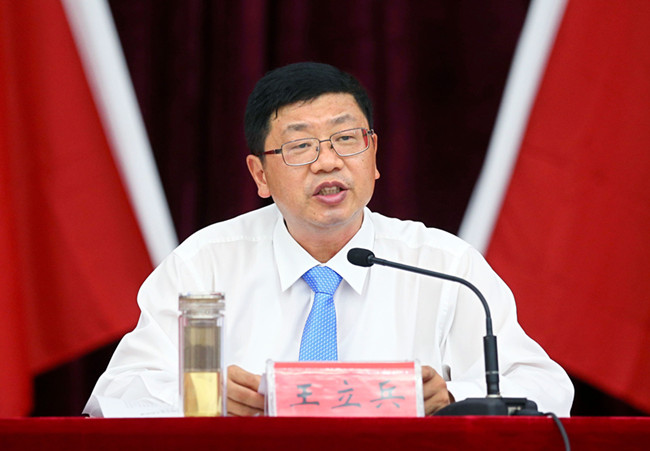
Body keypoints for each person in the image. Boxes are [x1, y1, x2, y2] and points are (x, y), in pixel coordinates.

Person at [83, 62, 573, 417]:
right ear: (259, 174)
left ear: (373, 154)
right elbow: (115, 396)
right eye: (300, 146)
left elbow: (546, 388)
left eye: (346, 139)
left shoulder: (444, 266)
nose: (328, 162)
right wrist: (205, 401)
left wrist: (454, 398)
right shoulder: (204, 265)